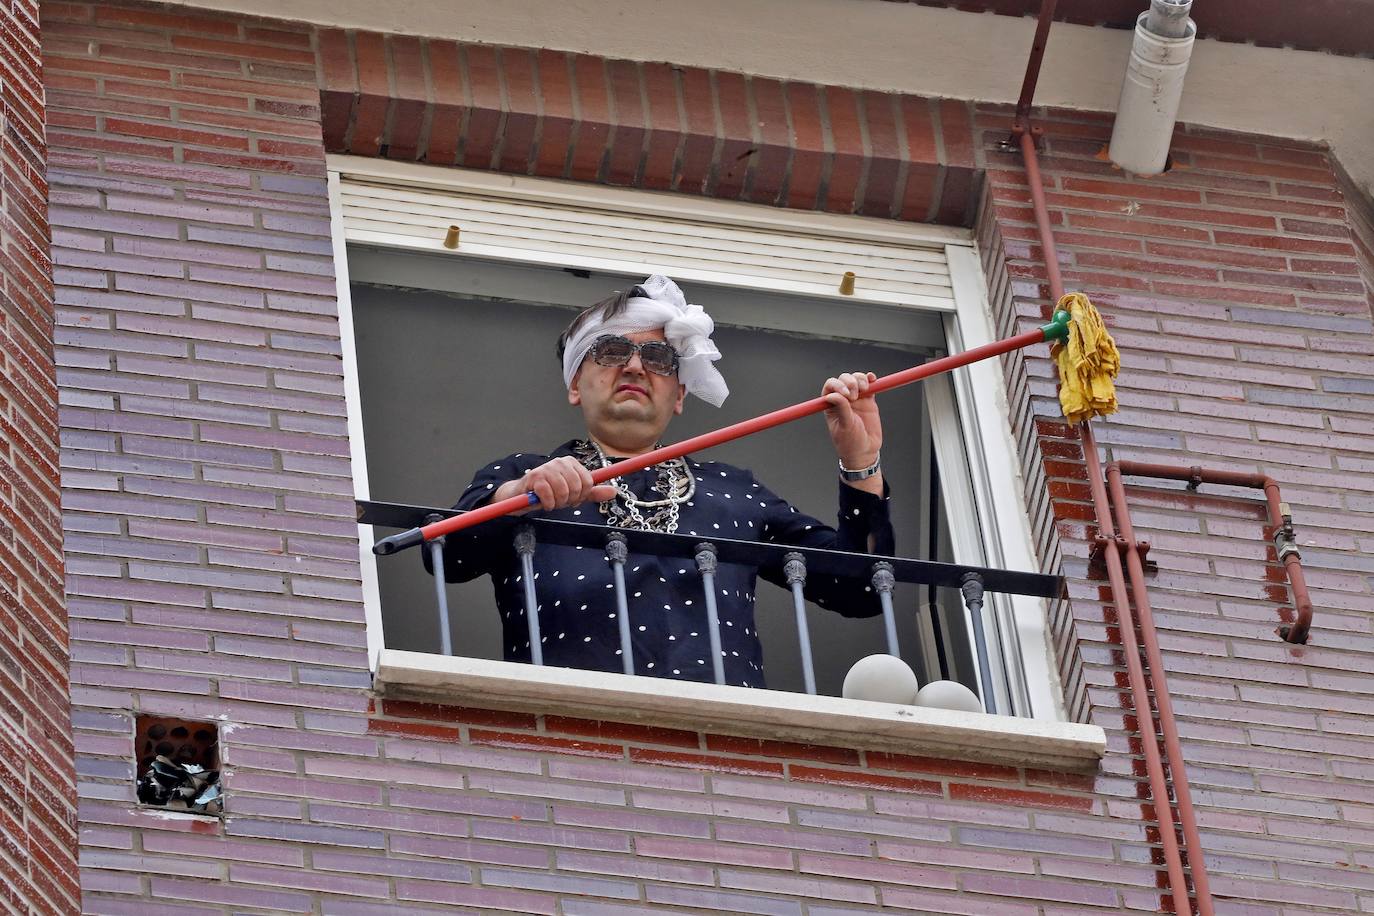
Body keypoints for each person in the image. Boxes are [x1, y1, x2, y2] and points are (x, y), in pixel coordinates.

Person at [428, 275, 895, 688]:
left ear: (680, 395)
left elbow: (860, 589)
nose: (635, 367)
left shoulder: (735, 491)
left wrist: (862, 463)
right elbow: (447, 556)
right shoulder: (518, 473)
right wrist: (517, 497)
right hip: (567, 739)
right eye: (611, 352)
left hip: (725, 747)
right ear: (575, 383)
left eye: (657, 358)